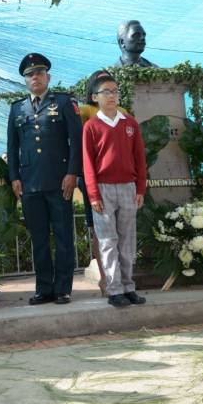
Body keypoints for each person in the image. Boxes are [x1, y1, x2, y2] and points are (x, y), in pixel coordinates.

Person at [7, 53, 82, 305]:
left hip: (60, 181)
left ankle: (62, 289)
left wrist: (72, 173)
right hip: (30, 184)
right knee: (38, 238)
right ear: (25, 81)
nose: (35, 77)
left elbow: (77, 141)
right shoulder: (17, 108)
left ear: (47, 77)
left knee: (63, 237)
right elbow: (13, 145)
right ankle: (43, 289)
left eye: (39, 73)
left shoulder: (63, 102)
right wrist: (14, 177)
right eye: (30, 74)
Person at [82, 75, 147, 307]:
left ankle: (129, 286)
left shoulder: (129, 123)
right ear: (95, 97)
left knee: (127, 240)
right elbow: (88, 163)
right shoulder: (91, 126)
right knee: (108, 241)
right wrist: (93, 194)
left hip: (128, 188)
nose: (112, 96)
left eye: (115, 91)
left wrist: (140, 188)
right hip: (103, 189)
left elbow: (140, 159)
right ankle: (114, 289)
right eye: (106, 92)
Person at [76, 69, 129, 296]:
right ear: (94, 91)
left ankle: (124, 280)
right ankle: (106, 279)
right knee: (101, 232)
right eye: (103, 88)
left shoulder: (124, 114)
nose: (109, 94)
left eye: (113, 89)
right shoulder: (85, 111)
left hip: (122, 181)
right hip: (93, 180)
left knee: (122, 232)